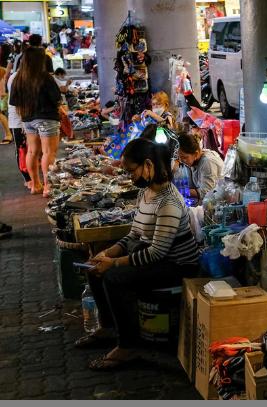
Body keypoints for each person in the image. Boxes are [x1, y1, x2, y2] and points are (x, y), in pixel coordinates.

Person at [75, 138, 199, 370]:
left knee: (114, 278)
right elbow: (134, 235)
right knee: (95, 270)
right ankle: (109, 328)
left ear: (149, 165)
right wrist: (105, 254)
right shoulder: (146, 194)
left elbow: (157, 252)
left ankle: (128, 346)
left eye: (132, 170)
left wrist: (113, 264)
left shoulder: (169, 202)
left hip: (177, 264)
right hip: (155, 257)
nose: (129, 176)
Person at [10, 48, 62, 197]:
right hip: (47, 118)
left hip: (27, 119)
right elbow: (56, 98)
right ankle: (48, 187)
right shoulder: (45, 77)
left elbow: (14, 102)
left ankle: (36, 185)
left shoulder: (18, 78)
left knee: (32, 152)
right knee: (48, 152)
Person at [177, 132, 224, 200]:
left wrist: (181, 192)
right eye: (179, 157)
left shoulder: (208, 162)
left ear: (196, 154)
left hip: (218, 200)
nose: (181, 161)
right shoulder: (194, 161)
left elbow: (206, 193)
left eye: (184, 157)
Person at [7, 68, 31, 188]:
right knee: (22, 150)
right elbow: (16, 103)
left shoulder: (30, 75)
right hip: (19, 121)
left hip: (29, 120)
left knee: (32, 150)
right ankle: (27, 178)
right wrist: (23, 122)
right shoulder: (16, 78)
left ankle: (32, 177)